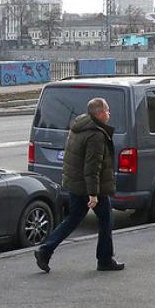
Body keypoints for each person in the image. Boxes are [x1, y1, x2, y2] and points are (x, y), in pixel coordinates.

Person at [34, 98, 124, 273]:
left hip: (76, 183)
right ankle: (105, 260)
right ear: (99, 114)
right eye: (107, 110)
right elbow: (92, 166)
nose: (109, 114)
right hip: (88, 186)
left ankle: (45, 251)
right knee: (106, 218)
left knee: (73, 218)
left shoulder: (79, 126)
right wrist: (93, 194)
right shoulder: (96, 134)